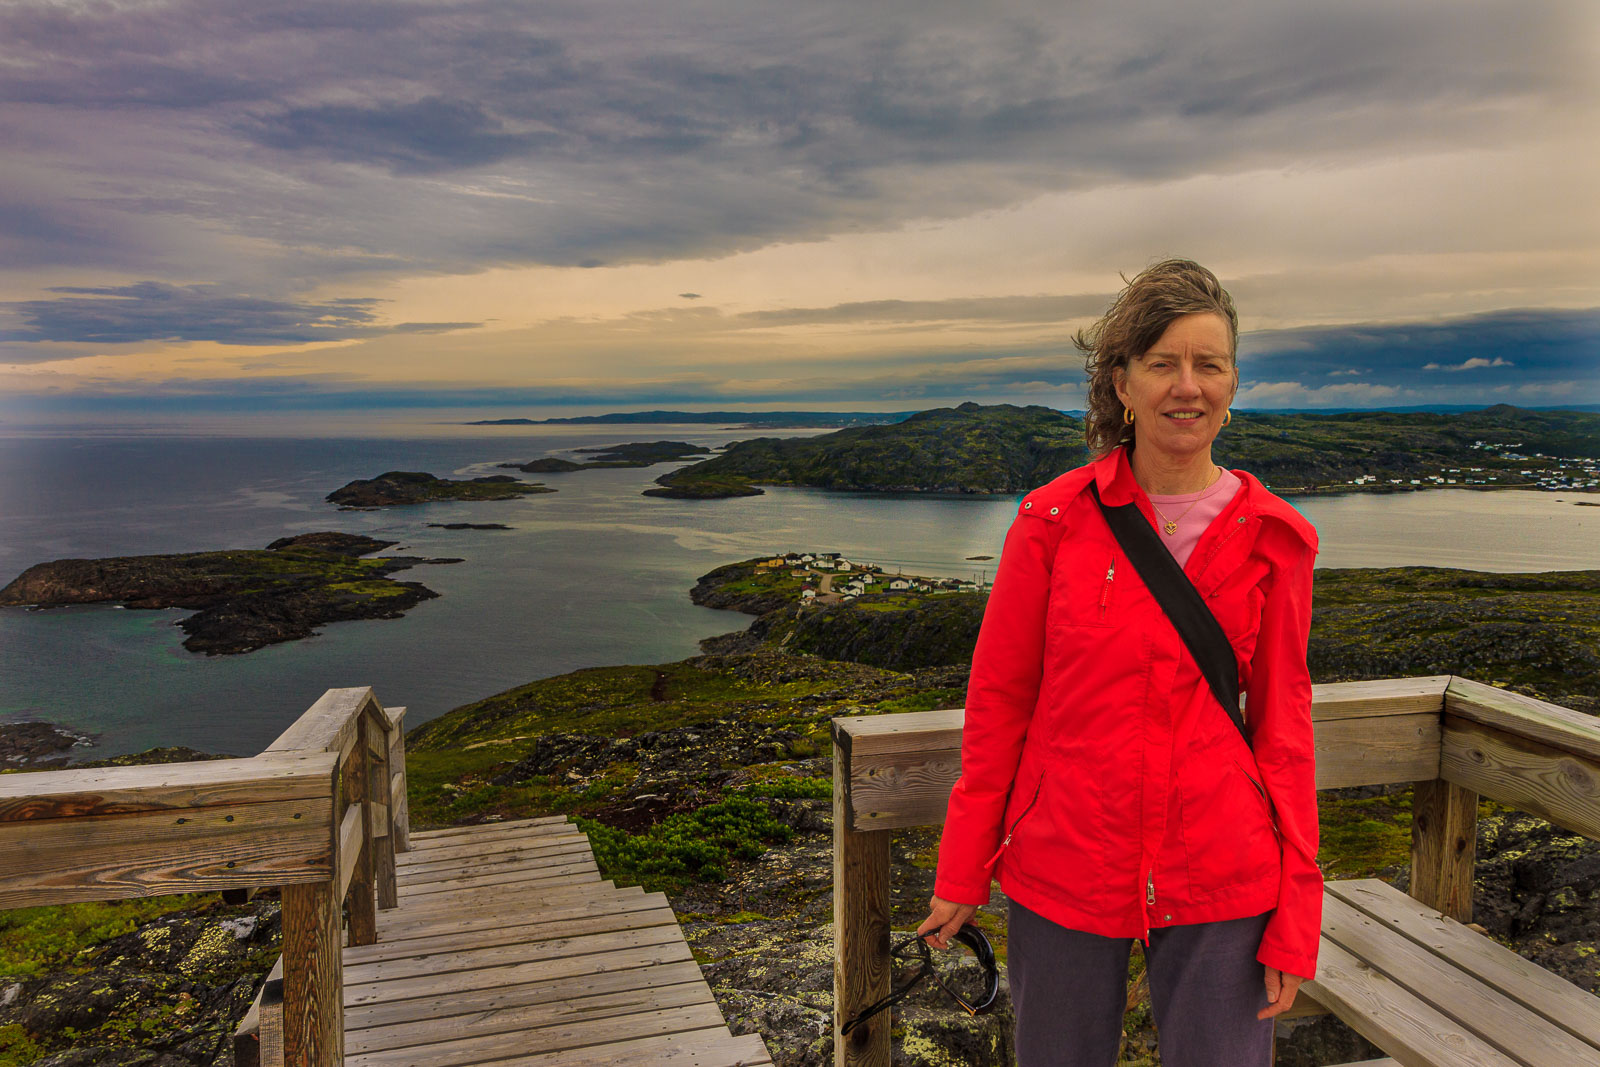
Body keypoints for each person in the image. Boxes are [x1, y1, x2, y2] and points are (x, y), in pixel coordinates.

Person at [916, 259, 1321, 1067]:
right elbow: (1000, 700)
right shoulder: (1052, 521)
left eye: (1209, 364)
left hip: (1224, 872)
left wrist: (1298, 911)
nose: (1188, 385)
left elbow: (1284, 728)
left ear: (1233, 383)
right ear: (1121, 382)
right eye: (1163, 362)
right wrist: (962, 867)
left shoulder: (1275, 536)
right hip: (1064, 861)